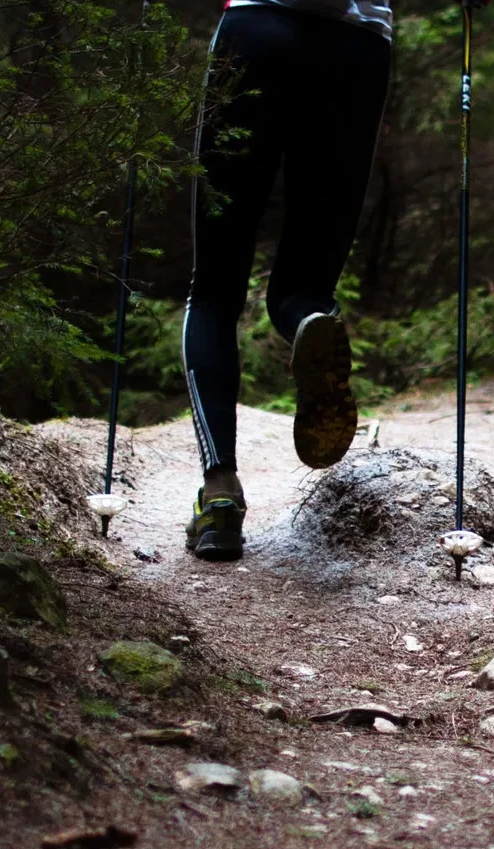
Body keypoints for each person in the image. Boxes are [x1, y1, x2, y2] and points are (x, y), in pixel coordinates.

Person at [181, 0, 395, 560]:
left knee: (215, 287)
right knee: (304, 284)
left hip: (258, 32)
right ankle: (308, 321)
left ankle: (220, 493)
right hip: (357, 50)